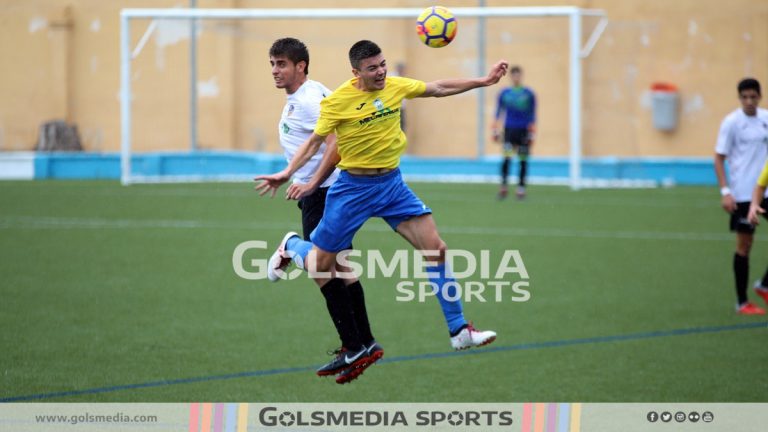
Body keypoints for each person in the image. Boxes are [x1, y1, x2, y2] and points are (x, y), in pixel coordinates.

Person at [256, 40, 505, 382]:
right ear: (356, 73)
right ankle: (290, 246)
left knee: (436, 248)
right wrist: (287, 175)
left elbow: (437, 87)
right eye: (373, 68)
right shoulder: (338, 100)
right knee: (320, 264)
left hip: (391, 187)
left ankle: (459, 329)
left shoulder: (395, 86)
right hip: (352, 191)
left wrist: (482, 81)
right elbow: (315, 141)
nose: (382, 72)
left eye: (383, 64)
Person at [264, 38, 382, 384]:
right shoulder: (308, 94)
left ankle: (351, 344)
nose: (275, 70)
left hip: (323, 193)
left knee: (320, 267)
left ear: (301, 66)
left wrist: (312, 183)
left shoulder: (309, 100)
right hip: (331, 191)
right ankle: (365, 343)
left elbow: (337, 142)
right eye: (272, 63)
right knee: (342, 267)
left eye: (282, 64)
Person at [714, 77, 768, 315]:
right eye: (744, 97)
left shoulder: (766, 119)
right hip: (744, 194)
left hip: (765, 190)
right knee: (744, 246)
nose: (749, 101)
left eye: (753, 96)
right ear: (739, 98)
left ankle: (764, 284)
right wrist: (726, 191)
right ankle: (742, 301)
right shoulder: (731, 122)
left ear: (759, 96)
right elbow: (719, 157)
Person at [492, 66, 536, 200]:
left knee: (523, 160)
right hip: (509, 130)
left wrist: (532, 132)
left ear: (521, 76)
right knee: (507, 158)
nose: (516, 77)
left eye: (518, 75)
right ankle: (504, 186)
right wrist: (494, 129)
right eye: (514, 75)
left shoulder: (528, 93)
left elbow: (532, 113)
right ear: (511, 76)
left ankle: (521, 188)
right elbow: (498, 111)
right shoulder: (505, 93)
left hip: (523, 131)